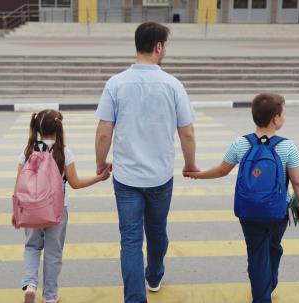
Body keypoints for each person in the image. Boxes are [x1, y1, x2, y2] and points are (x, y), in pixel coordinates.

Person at [94, 22, 198, 303]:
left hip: (126, 178)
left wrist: (100, 164)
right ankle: (154, 274)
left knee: (130, 240)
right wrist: (190, 165)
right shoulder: (173, 85)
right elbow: (186, 132)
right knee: (157, 231)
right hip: (160, 178)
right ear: (159, 47)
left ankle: (135, 298)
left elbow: (104, 131)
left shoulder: (116, 83)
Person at [183, 92, 299, 303]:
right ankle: (266, 288)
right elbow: (298, 182)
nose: (284, 118)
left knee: (256, 252)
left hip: (249, 210)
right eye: (284, 114)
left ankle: (262, 289)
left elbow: (222, 170)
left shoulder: (241, 143)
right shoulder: (287, 146)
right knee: (274, 246)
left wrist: (198, 175)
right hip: (278, 210)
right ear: (275, 119)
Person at [18, 109, 111, 303]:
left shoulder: (27, 152)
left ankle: (30, 285)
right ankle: (50, 296)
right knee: (53, 252)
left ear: (37, 128)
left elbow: (20, 184)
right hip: (57, 210)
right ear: (59, 128)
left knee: (32, 247)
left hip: (30, 210)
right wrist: (100, 178)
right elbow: (75, 183)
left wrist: (20, 209)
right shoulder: (63, 152)